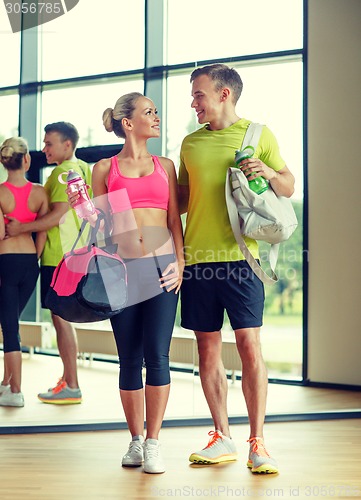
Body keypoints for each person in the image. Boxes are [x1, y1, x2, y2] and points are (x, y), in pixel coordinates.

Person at [178, 64, 295, 474]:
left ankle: (258, 442)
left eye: (199, 94)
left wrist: (267, 172)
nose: (194, 102)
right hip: (197, 261)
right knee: (207, 349)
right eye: (193, 96)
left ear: (224, 94)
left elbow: (288, 184)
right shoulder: (190, 143)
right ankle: (221, 435)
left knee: (248, 344)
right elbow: (179, 199)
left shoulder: (257, 135)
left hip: (243, 259)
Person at [68, 92, 184, 474]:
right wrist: (85, 209)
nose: (156, 116)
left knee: (158, 355)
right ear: (128, 123)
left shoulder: (165, 165)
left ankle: (154, 442)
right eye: (149, 111)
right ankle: (135, 441)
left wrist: (180, 263)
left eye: (155, 110)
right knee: (129, 358)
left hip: (162, 268)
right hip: (122, 269)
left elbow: (172, 221)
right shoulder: (104, 168)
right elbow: (102, 227)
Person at [6, 122, 92, 404]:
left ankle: (72, 384)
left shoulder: (62, 172)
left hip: (61, 256)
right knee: (62, 318)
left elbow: (59, 215)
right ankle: (70, 380)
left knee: (61, 318)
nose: (44, 149)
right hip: (74, 254)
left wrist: (20, 230)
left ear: (67, 145)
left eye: (49, 144)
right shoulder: (80, 168)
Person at [0, 137, 48, 407]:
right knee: (10, 322)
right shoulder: (40, 193)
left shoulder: (0, 193)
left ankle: (16, 391)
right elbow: (42, 231)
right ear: (26, 160)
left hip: (5, 262)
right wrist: (33, 258)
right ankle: (7, 381)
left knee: (9, 327)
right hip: (31, 264)